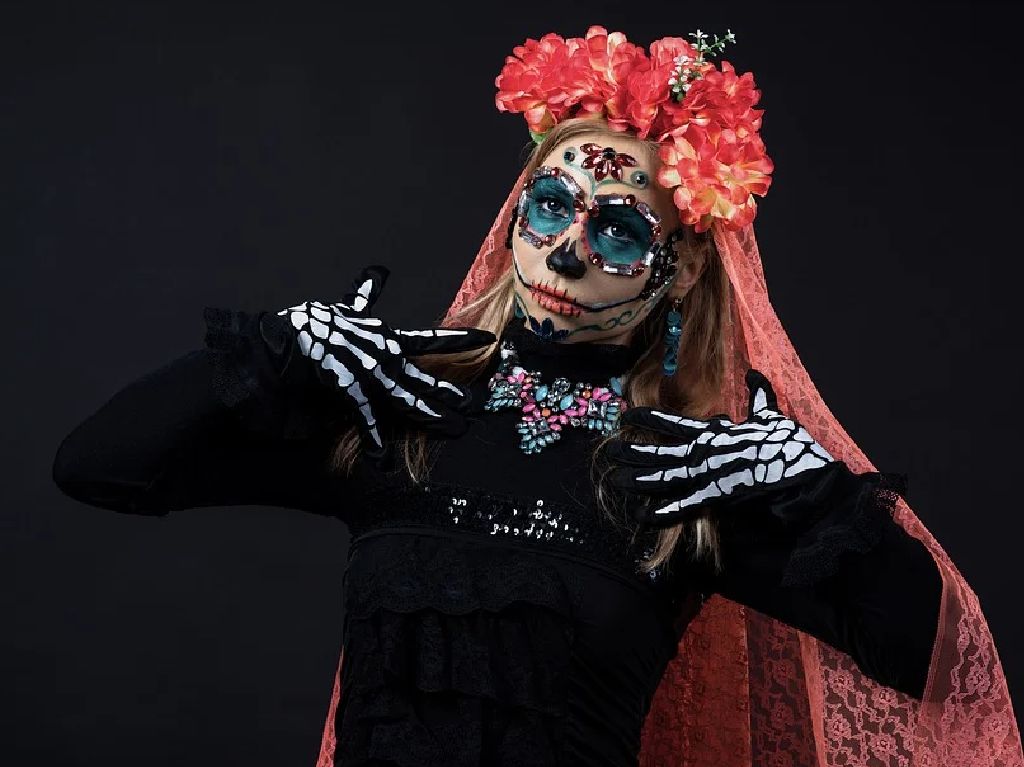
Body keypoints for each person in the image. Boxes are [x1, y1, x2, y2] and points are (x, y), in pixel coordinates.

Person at [51, 25, 1022, 767]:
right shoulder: (405, 410)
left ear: (679, 271)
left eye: (618, 231)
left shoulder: (678, 474)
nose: (563, 249)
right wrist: (286, 347)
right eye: (549, 206)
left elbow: (922, 654)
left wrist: (810, 486)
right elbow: (99, 465)